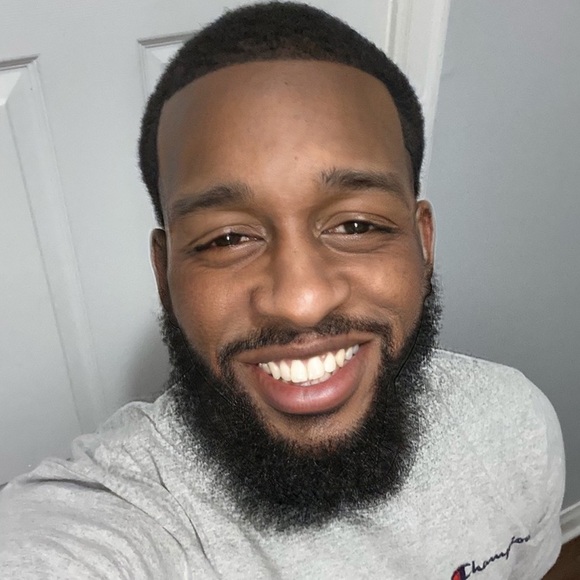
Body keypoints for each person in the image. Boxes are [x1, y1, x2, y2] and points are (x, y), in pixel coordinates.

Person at [0, 2, 565, 578]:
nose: (301, 302)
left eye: (356, 225)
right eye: (227, 239)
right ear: (164, 274)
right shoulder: (117, 518)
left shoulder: (516, 425)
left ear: (422, 243)